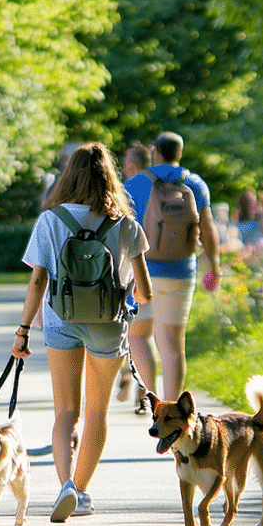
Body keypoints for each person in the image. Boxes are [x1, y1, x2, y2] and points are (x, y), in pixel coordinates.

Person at [12, 142, 152, 523]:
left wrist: (23, 330)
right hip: (108, 324)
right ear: (111, 177)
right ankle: (83, 489)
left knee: (65, 412)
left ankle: (65, 487)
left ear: (68, 176)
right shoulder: (127, 224)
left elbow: (37, 280)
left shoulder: (51, 220)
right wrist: (127, 299)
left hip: (61, 320)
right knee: (96, 411)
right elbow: (145, 290)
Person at [123, 131, 220, 403]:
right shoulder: (196, 184)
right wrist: (214, 265)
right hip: (181, 270)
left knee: (138, 336)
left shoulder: (135, 184)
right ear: (180, 152)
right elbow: (208, 228)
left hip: (141, 270)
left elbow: (121, 228)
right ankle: (172, 407)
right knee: (173, 346)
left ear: (154, 151)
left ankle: (150, 399)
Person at [116, 142, 156, 415]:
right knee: (146, 337)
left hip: (127, 271)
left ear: (129, 166)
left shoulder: (124, 191)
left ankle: (127, 376)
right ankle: (146, 394)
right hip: (162, 270)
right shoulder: (161, 187)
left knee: (125, 333)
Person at [233, 188, 263, 254]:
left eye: (255, 203)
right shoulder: (243, 225)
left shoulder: (257, 221)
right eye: (252, 204)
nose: (255, 207)